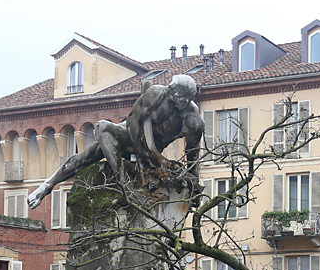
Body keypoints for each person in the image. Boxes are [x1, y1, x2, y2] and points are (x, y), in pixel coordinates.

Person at [28, 74, 204, 209]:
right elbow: (133, 124)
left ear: (185, 98)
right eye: (170, 91)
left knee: (90, 154)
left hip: (153, 154)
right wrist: (145, 155)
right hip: (129, 136)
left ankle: (126, 187)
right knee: (97, 136)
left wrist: (194, 189)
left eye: (175, 95)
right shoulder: (157, 93)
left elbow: (192, 157)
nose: (170, 95)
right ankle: (47, 186)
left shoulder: (193, 121)